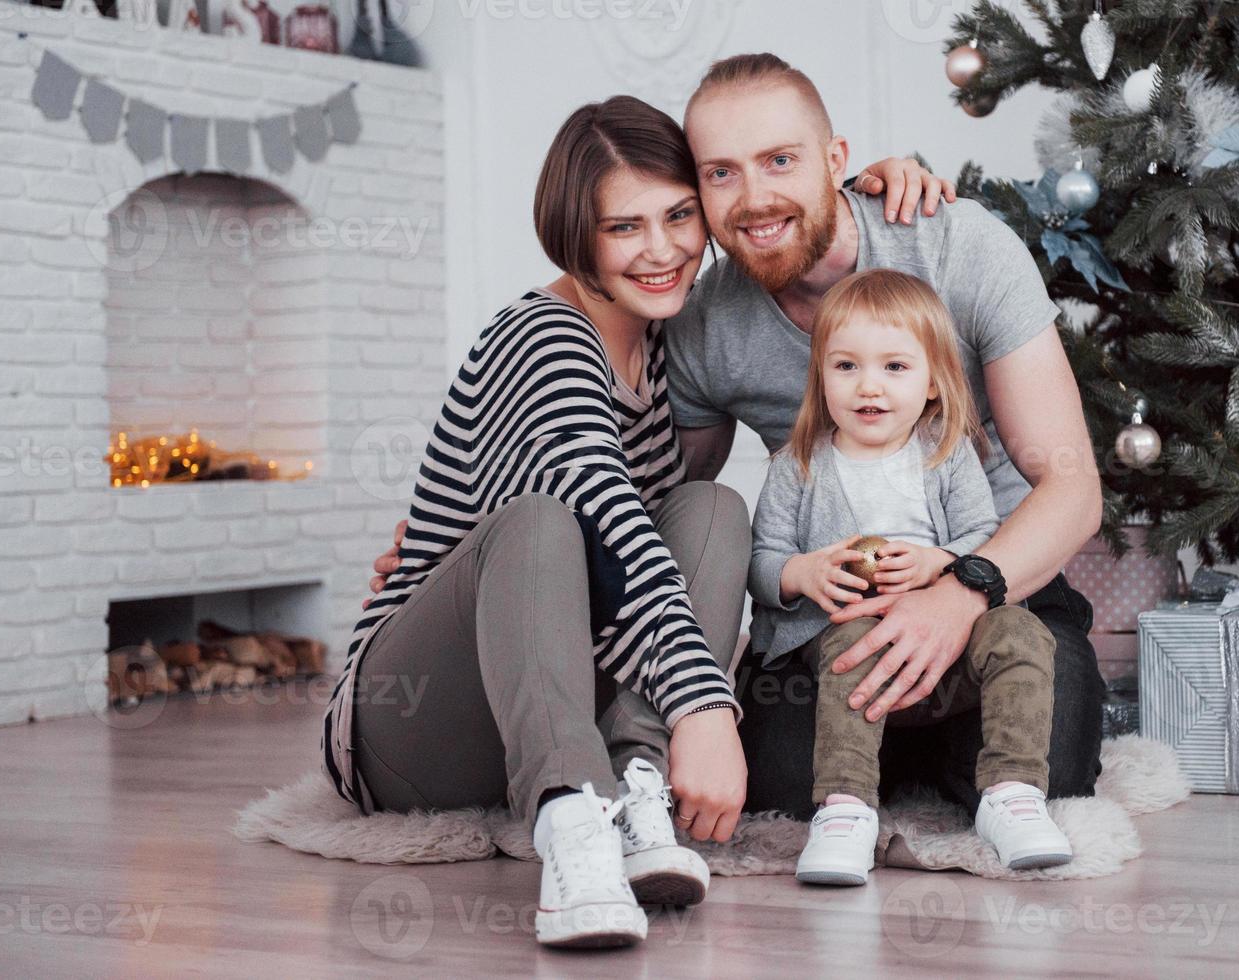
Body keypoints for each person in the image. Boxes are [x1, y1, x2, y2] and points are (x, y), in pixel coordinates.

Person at [334, 94, 953, 948]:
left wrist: (870, 186)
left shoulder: (668, 339)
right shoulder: (542, 340)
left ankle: (635, 786)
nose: (662, 252)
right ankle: (571, 827)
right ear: (575, 235)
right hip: (409, 726)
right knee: (550, 522)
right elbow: (599, 519)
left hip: (547, 690)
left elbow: (670, 534)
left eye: (678, 216)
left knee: (711, 508)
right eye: (624, 229)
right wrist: (705, 705)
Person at [667, 54, 1107, 818]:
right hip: (823, 625)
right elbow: (671, 503)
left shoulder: (957, 246)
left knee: (1044, 772)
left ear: (837, 161)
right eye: (722, 173)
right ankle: (882, 752)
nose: (756, 198)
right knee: (775, 795)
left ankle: (917, 750)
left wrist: (960, 593)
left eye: (780, 160)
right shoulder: (704, 320)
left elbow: (1072, 488)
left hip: (997, 586)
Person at [751, 269, 1072, 886]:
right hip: (847, 634)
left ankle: (1012, 795)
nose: (868, 385)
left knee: (1023, 637)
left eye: (894, 367)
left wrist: (940, 563)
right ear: (822, 376)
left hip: (946, 635)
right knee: (853, 645)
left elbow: (983, 534)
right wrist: (802, 572)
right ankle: (845, 809)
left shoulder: (944, 451)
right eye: (846, 366)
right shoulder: (797, 462)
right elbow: (763, 560)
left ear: (932, 382)